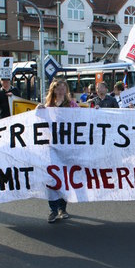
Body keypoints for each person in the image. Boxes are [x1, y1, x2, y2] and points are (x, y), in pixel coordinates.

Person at [36, 78, 78, 222]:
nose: (61, 90)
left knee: (64, 178)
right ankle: (53, 209)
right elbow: (39, 122)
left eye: (63, 88)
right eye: (58, 88)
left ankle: (62, 208)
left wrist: (95, 112)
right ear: (53, 90)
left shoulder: (71, 105)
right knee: (52, 178)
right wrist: (38, 111)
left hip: (66, 147)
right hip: (51, 147)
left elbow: (83, 119)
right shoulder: (48, 105)